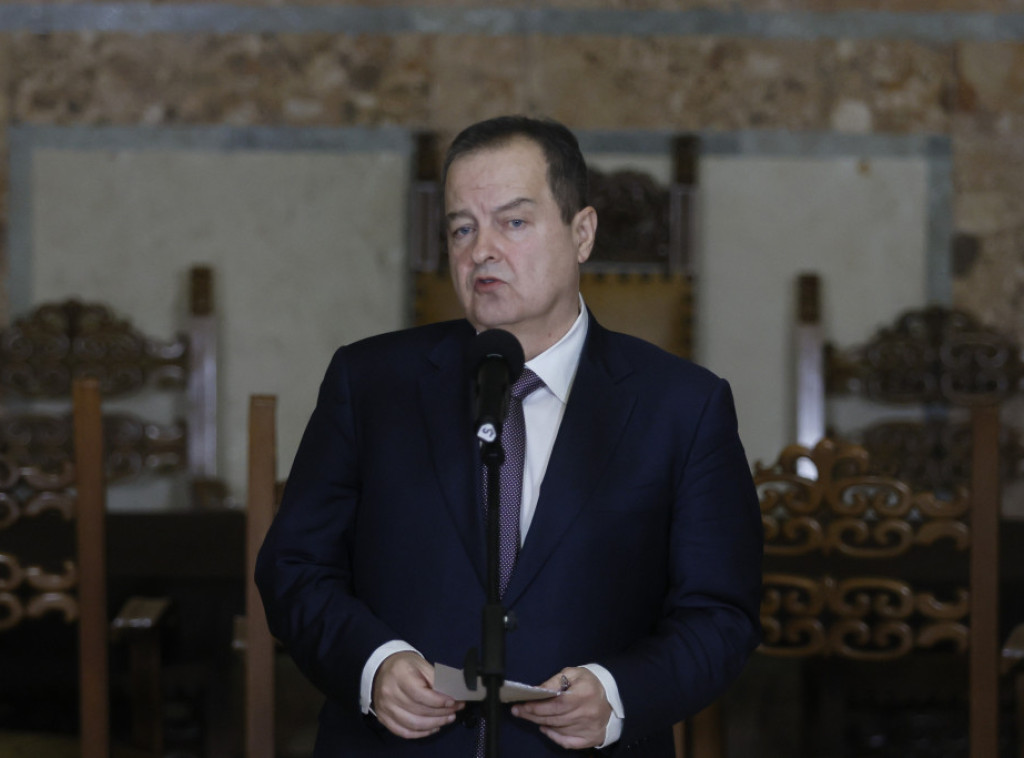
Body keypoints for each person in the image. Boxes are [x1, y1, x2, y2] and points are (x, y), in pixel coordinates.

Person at [255, 115, 763, 757]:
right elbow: (295, 567)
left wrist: (619, 694)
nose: (482, 251)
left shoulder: (683, 407)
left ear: (582, 232)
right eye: (462, 228)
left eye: (513, 222)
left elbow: (721, 614)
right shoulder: (370, 383)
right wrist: (372, 665)